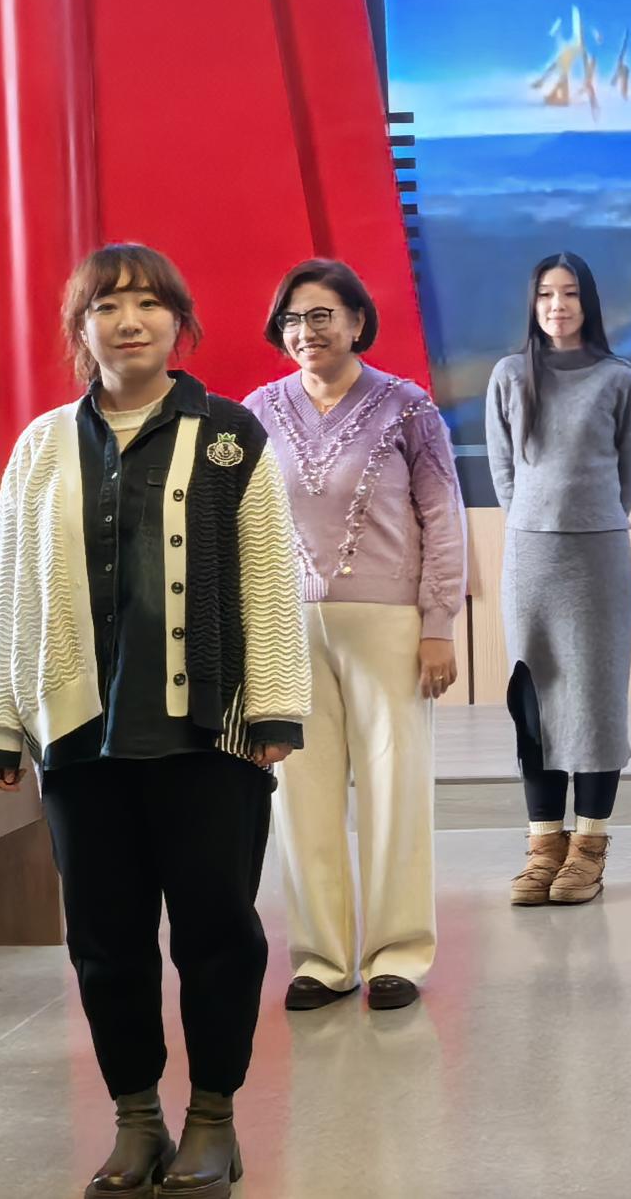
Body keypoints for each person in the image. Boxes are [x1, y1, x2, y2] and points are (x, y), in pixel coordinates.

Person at [0, 244, 311, 1199]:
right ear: (81, 330)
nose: (129, 321)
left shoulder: (232, 436)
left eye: (149, 304)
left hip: (210, 739)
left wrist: (276, 706)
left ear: (179, 323)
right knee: (105, 943)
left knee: (217, 935)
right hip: (83, 741)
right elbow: (11, 587)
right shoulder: (42, 446)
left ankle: (213, 1121)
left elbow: (270, 579)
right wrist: (2, 718)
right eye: (108, 306)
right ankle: (135, 1119)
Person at [247, 258, 465, 1013]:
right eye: (293, 319)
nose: (306, 331)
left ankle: (397, 955)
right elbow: (243, 529)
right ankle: (321, 960)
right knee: (299, 796)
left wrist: (439, 625)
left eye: (321, 315)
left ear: (357, 321)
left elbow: (443, 519)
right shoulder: (257, 412)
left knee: (393, 789)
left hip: (390, 627)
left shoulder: (408, 409)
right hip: (286, 628)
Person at [485, 252, 631, 905]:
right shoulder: (508, 374)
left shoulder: (618, 377)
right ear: (533, 303)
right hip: (530, 559)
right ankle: (543, 847)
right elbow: (504, 473)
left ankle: (589, 849)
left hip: (600, 557)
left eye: (570, 293)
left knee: (597, 702)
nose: (558, 305)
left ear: (588, 302)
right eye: (547, 294)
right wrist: (537, 520)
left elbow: (629, 475)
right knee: (535, 703)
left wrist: (588, 520)